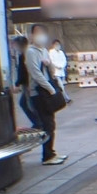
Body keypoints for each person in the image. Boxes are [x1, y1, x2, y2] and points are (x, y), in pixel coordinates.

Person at [26, 24, 67, 165]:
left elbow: (51, 70)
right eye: (37, 33)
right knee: (47, 124)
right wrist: (51, 89)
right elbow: (36, 74)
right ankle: (47, 156)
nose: (41, 36)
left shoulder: (44, 50)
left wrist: (48, 63)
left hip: (46, 91)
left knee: (50, 123)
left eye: (43, 33)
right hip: (38, 93)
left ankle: (51, 152)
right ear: (32, 35)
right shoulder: (31, 52)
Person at [11, 36, 41, 129]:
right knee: (25, 103)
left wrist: (17, 84)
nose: (14, 47)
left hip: (28, 84)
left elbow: (22, 71)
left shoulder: (24, 55)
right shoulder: (32, 52)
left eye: (15, 45)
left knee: (30, 105)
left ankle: (39, 123)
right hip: (32, 82)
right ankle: (37, 122)